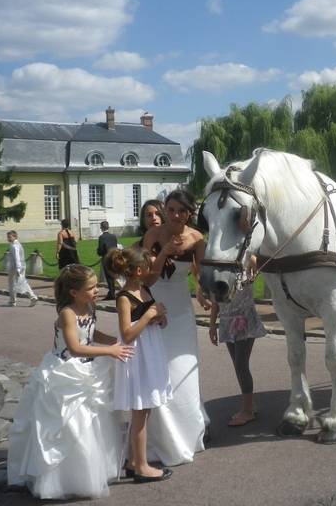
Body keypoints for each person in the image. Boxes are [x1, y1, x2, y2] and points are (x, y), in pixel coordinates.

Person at [8, 265, 132, 499]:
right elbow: (74, 348)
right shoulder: (67, 313)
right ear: (74, 292)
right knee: (70, 424)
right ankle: (63, 478)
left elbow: (92, 334)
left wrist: (117, 340)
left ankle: (93, 469)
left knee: (93, 422)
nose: (97, 290)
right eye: (91, 287)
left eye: (97, 285)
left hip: (88, 368)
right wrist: (110, 351)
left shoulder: (89, 306)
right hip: (65, 371)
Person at [139, 189, 210, 466]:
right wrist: (163, 253)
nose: (176, 215)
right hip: (157, 304)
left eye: (182, 211)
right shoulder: (153, 236)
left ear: (189, 213)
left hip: (181, 308)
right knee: (160, 366)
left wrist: (202, 293)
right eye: (171, 210)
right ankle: (162, 434)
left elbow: (199, 272)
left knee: (183, 367)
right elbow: (144, 278)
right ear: (165, 210)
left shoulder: (196, 238)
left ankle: (189, 430)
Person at [110, 246, 173, 483]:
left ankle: (135, 460)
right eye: (147, 267)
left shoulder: (145, 289)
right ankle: (141, 465)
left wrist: (159, 318)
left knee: (145, 410)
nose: (150, 270)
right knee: (140, 411)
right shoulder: (124, 298)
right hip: (137, 356)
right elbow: (126, 333)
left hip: (151, 352)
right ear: (138, 270)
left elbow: (152, 321)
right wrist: (148, 316)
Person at [208, 256, 266, 427]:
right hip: (226, 321)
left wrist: (250, 259)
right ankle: (250, 405)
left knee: (241, 364)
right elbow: (215, 303)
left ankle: (247, 411)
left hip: (244, 321)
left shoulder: (246, 266)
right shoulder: (216, 273)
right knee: (237, 365)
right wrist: (212, 326)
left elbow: (256, 262)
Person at [5, 230, 39, 307]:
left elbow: (17, 258)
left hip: (16, 267)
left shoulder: (14, 246)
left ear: (14, 237)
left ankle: (14, 301)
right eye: (8, 237)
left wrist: (18, 269)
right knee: (21, 282)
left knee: (14, 283)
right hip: (21, 266)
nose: (8, 238)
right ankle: (31, 297)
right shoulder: (16, 244)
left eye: (10, 237)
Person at [96, 220, 119, 301]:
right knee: (113, 275)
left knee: (109, 277)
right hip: (114, 256)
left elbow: (101, 250)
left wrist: (98, 251)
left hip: (106, 257)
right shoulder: (113, 236)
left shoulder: (102, 237)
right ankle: (112, 292)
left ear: (102, 228)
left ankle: (112, 293)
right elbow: (115, 246)